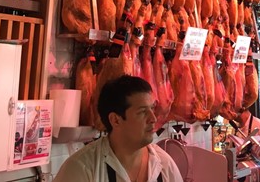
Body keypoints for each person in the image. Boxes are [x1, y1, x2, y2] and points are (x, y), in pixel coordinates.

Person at [54, 75, 183, 182]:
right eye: (142, 112)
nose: (153, 118)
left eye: (152, 108)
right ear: (115, 120)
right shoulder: (81, 168)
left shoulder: (164, 165)